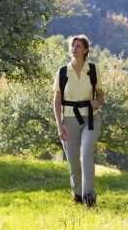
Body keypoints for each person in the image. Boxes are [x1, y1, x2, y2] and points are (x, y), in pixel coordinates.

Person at [53, 34, 104, 208]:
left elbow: (100, 93)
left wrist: (97, 102)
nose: (74, 49)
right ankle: (77, 194)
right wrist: (60, 126)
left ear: (85, 50)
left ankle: (89, 197)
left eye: (78, 46)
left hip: (90, 119)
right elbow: (57, 101)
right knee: (74, 161)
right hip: (68, 120)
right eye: (72, 46)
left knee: (85, 155)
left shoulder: (92, 69)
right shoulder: (62, 72)